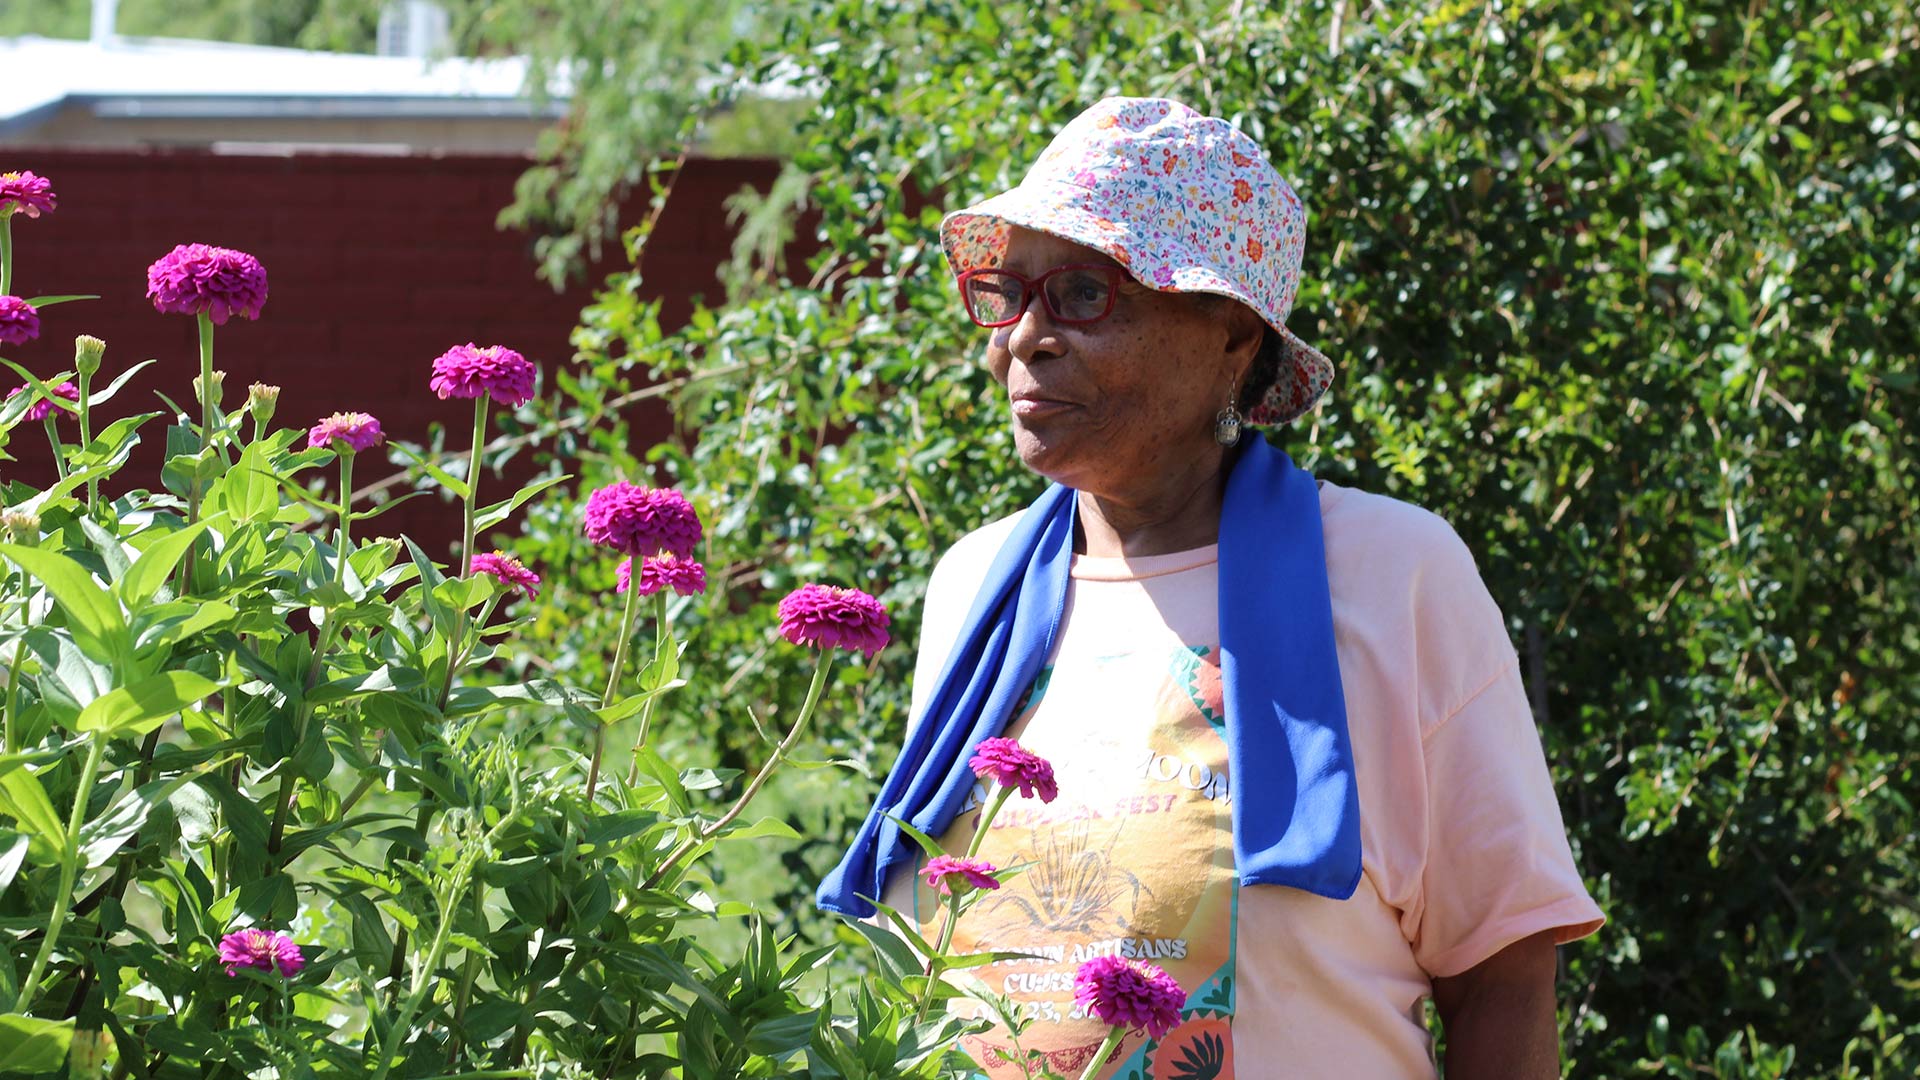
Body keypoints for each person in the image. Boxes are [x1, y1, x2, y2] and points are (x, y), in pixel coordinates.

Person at [817, 97, 1604, 1079]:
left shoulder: (1391, 573)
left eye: (1082, 295)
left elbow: (1503, 970)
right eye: (1007, 293)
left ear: (1231, 333)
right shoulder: (975, 589)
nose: (1023, 337)